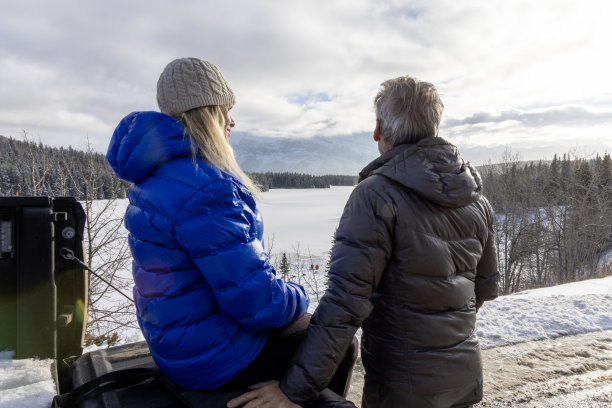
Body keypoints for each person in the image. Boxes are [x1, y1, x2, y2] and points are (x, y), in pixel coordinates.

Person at [228, 76, 499, 408]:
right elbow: (485, 288)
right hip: (465, 377)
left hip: (403, 386)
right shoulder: (476, 199)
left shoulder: (376, 195)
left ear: (378, 131)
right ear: (434, 128)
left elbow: (344, 305)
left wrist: (292, 391)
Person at [106, 57, 347, 394]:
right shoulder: (207, 187)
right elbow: (257, 305)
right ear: (208, 113)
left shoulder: (154, 178)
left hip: (175, 349)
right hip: (214, 360)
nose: (232, 121)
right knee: (335, 345)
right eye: (226, 110)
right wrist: (300, 294)